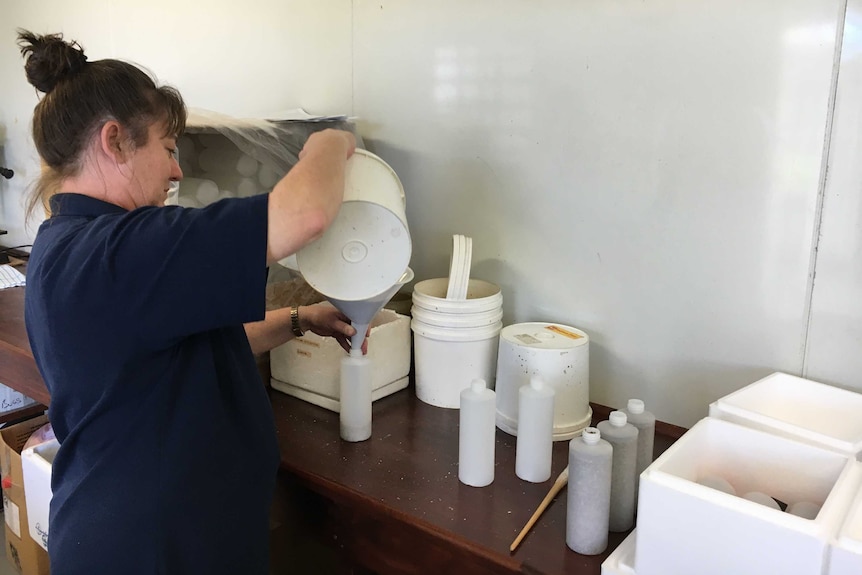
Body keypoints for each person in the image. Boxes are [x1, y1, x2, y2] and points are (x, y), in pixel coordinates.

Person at [18, 30, 358, 575]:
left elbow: (189, 344)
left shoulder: (66, 242)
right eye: (168, 149)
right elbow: (306, 214)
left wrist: (298, 318)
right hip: (153, 551)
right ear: (115, 141)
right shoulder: (125, 250)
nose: (177, 171)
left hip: (121, 534)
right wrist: (331, 142)